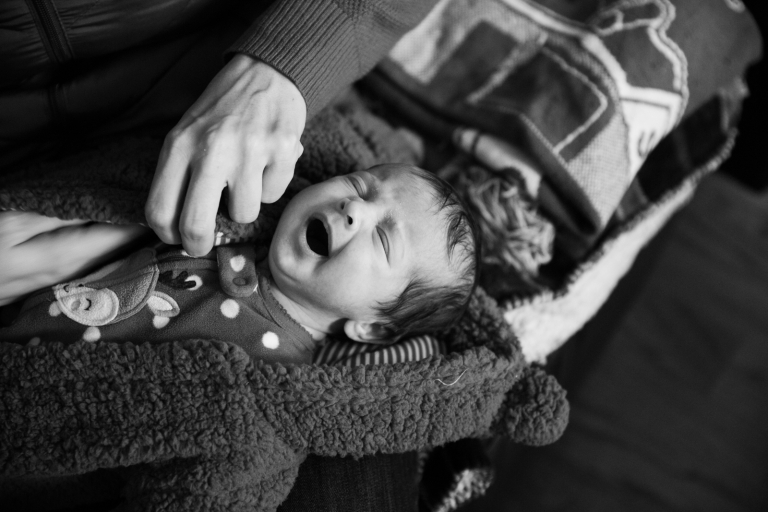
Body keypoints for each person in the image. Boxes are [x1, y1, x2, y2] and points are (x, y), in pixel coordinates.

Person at [0, 164, 478, 362]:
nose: (356, 209)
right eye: (359, 184)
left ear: (371, 329)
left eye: (382, 239)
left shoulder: (276, 366)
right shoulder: (238, 221)